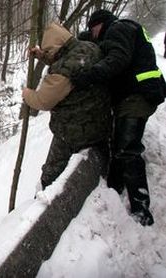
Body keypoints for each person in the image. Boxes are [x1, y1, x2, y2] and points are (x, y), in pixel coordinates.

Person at [72, 10, 166, 226]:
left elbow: (117, 58)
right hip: (136, 93)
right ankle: (115, 187)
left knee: (128, 149)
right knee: (120, 144)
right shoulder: (120, 30)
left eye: (93, 29)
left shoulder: (118, 28)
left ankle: (141, 210)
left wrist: (89, 76)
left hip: (137, 95)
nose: (92, 34)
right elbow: (102, 44)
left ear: (101, 24)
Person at [23, 22, 111, 193]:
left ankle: (45, 195)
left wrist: (27, 94)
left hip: (75, 129)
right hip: (101, 119)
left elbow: (43, 101)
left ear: (56, 47)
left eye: (49, 50)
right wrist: (42, 55)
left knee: (52, 169)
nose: (49, 54)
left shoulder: (63, 72)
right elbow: (64, 57)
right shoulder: (89, 47)